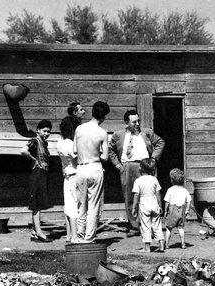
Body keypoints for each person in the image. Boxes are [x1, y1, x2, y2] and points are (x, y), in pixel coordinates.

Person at [108, 109, 165, 237]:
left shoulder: (146, 133)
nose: (137, 124)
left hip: (145, 165)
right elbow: (110, 149)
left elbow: (160, 142)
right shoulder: (118, 135)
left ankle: (150, 226)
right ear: (126, 122)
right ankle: (134, 226)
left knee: (149, 194)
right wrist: (117, 164)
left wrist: (154, 159)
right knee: (129, 195)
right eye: (134, 122)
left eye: (138, 121)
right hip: (127, 166)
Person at [74, 101, 110, 243]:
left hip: (81, 167)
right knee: (93, 204)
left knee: (81, 204)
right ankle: (89, 238)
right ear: (104, 116)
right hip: (94, 167)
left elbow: (74, 151)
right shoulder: (102, 132)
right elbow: (105, 157)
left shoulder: (79, 129)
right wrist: (97, 152)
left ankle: (80, 234)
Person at [21, 120, 53, 242]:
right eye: (44, 131)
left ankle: (35, 232)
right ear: (38, 130)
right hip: (37, 173)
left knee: (38, 203)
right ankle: (39, 233)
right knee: (37, 205)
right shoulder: (35, 141)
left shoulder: (44, 143)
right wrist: (34, 160)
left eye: (48, 131)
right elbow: (23, 151)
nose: (46, 133)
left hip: (43, 173)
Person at [131, 158, 165, 253]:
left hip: (144, 205)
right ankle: (161, 245)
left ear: (140, 168)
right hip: (154, 204)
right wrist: (160, 205)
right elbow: (158, 193)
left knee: (145, 226)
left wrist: (134, 207)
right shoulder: (154, 179)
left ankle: (147, 247)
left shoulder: (138, 181)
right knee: (157, 225)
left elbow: (136, 195)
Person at [58, 116, 79, 242]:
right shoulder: (71, 144)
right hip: (74, 174)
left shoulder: (60, 143)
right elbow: (77, 159)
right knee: (74, 206)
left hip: (66, 175)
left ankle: (69, 234)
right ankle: (75, 236)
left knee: (68, 205)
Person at [163, 168, 192, 249]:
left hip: (172, 210)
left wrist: (165, 211)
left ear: (172, 180)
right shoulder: (184, 190)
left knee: (169, 228)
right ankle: (183, 244)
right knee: (181, 228)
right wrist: (187, 210)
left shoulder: (170, 190)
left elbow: (167, 202)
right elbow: (189, 201)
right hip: (182, 210)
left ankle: (167, 244)